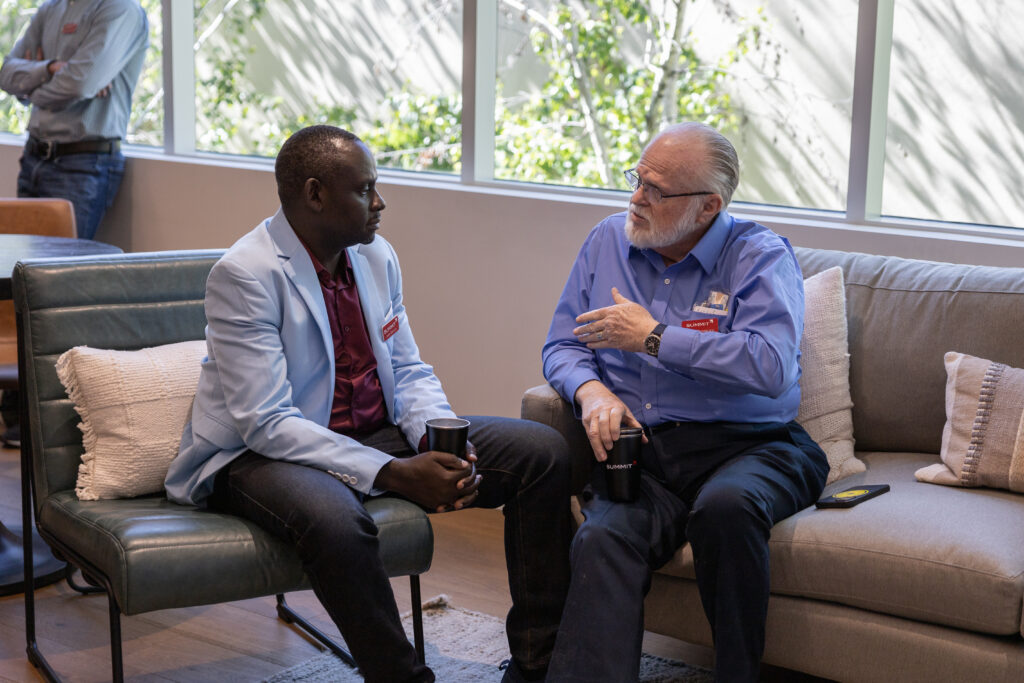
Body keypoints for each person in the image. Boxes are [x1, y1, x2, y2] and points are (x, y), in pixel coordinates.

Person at [165, 125, 571, 683]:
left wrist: (438, 440)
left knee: (542, 452)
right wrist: (396, 474)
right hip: (260, 454)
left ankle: (538, 665)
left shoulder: (376, 255)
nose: (380, 203)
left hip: (371, 430)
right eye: (365, 189)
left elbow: (406, 368)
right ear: (315, 194)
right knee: (336, 519)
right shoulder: (245, 274)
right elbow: (267, 422)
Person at [542, 122, 829, 682]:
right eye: (637, 178)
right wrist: (591, 388)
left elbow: (769, 365)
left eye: (656, 189)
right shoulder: (607, 241)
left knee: (725, 509)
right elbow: (561, 344)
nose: (636, 198)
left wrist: (652, 336)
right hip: (646, 454)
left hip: (753, 448)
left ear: (707, 207)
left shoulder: (760, 257)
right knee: (602, 536)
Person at [0, 0, 149, 240]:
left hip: (82, 163)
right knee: (18, 268)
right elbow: (6, 74)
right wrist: (50, 69)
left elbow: (79, 84)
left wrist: (31, 89)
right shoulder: (50, 9)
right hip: (33, 158)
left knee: (58, 273)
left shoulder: (119, 9)